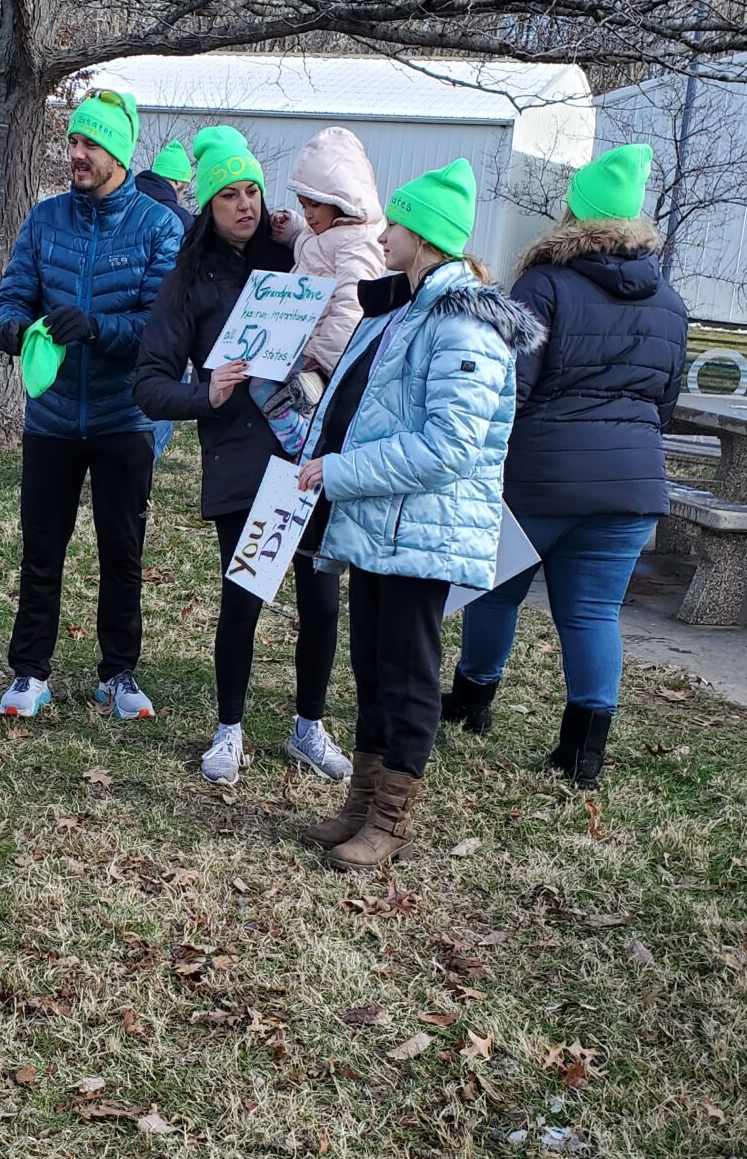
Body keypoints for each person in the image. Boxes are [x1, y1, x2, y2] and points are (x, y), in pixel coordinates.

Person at [296, 159, 543, 870]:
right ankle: (360, 808)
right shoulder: (407, 310)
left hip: (420, 533)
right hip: (381, 526)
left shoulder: (463, 325)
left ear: (427, 237)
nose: (382, 233)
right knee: (373, 671)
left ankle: (392, 820)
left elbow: (448, 448)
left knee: (407, 678)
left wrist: (339, 471)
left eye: (395, 223)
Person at [440, 143, 688, 787]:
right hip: (632, 484)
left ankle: (473, 700)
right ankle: (582, 750)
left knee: (497, 591)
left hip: (541, 474)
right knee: (593, 612)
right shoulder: (671, 302)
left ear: (574, 213)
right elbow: (665, 399)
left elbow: (511, 386)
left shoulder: (544, 283)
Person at [134, 126, 350, 786]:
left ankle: (308, 727)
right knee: (246, 596)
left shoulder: (295, 259)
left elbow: (354, 275)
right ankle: (229, 731)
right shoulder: (188, 281)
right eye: (229, 194)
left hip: (308, 450)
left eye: (253, 189)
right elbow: (149, 383)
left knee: (321, 600)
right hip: (241, 458)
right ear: (207, 205)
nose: (245, 204)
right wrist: (207, 390)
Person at [0, 89, 181, 721]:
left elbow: (160, 327)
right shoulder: (46, 219)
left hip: (123, 417)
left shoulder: (158, 227)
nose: (76, 153)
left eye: (89, 144)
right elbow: (15, 290)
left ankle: (119, 675)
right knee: (41, 547)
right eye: (73, 141)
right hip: (50, 419)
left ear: (119, 153)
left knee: (121, 551)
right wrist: (12, 325)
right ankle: (28, 673)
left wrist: (96, 327)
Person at [270, 125, 386, 380]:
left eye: (314, 205)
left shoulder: (358, 242)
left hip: (317, 351)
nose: (308, 214)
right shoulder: (324, 232)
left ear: (341, 203)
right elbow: (312, 248)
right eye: (303, 206)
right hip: (298, 339)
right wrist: (290, 227)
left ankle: (300, 424)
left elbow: (353, 302)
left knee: (269, 394)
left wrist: (323, 355)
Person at [135, 141, 196, 460]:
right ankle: (144, 461)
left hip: (119, 320)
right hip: (165, 322)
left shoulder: (123, 202)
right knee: (163, 392)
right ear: (177, 183)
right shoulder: (181, 219)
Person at [135, 141, 195, 232]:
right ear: (177, 182)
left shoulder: (122, 199)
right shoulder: (181, 219)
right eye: (185, 187)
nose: (183, 195)